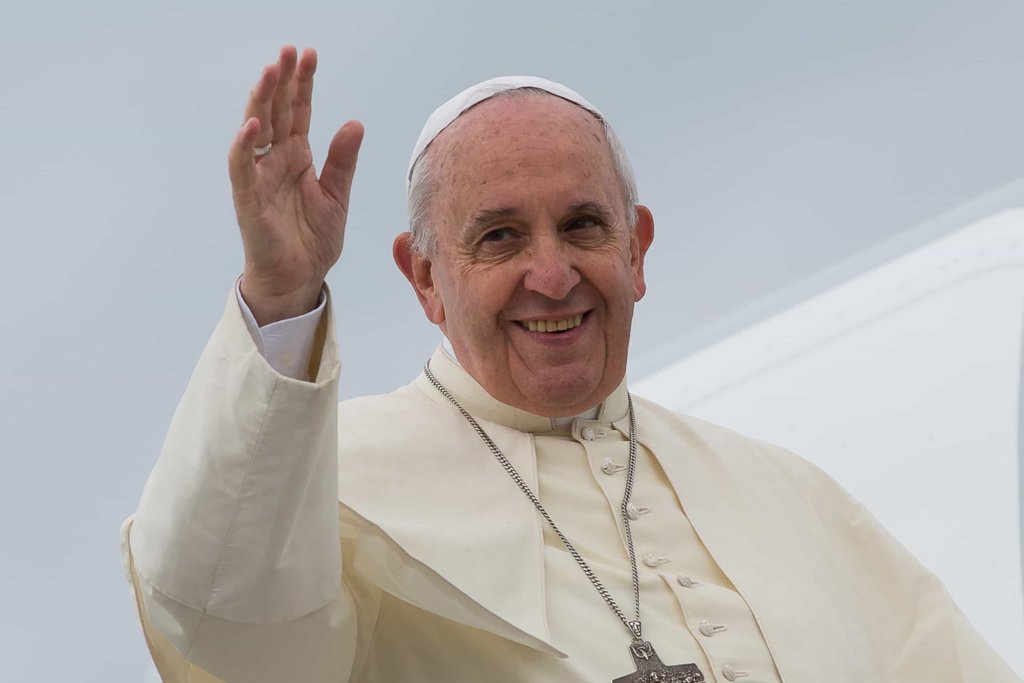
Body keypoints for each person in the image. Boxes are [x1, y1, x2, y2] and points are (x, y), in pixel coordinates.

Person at [122, 45, 1020, 683]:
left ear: (638, 248)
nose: (550, 276)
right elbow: (229, 627)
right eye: (500, 236)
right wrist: (279, 297)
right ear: (424, 278)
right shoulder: (329, 490)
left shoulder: (787, 494)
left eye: (584, 226)